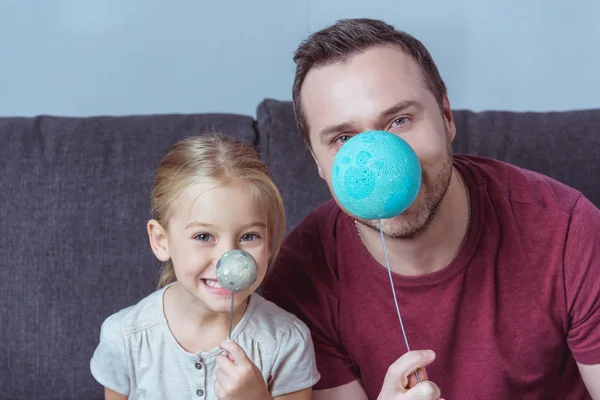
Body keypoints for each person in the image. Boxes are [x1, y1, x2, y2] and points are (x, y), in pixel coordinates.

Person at [260, 18, 600, 400]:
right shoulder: (299, 282)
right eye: (343, 138)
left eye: (399, 120)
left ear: (447, 118)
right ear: (319, 164)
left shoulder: (568, 230)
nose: (381, 164)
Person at [90, 133, 320, 400]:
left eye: (249, 237)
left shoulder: (287, 342)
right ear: (161, 241)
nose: (229, 260)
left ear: (268, 242)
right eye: (204, 237)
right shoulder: (125, 337)